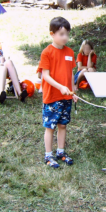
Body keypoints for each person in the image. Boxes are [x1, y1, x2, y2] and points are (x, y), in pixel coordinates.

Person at [39, 17, 78, 169]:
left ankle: (61, 152)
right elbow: (45, 75)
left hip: (66, 97)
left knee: (63, 125)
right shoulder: (47, 52)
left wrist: (72, 90)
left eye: (67, 34)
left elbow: (70, 74)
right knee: (50, 126)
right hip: (52, 97)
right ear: (52, 34)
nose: (65, 37)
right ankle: (48, 155)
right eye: (61, 34)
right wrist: (60, 87)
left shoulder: (70, 52)